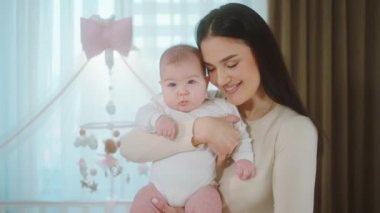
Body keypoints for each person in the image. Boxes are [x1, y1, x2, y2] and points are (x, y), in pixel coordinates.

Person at [121, 3, 318, 213]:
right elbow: (129, 147)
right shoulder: (210, 103)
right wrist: (200, 130)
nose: (221, 80)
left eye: (231, 64)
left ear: (261, 54)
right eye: (211, 69)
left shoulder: (294, 130)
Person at [130, 44, 255, 213]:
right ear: (162, 86)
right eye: (172, 85)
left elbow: (240, 133)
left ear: (205, 82)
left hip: (200, 189)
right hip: (158, 189)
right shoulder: (161, 106)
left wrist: (244, 158)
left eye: (191, 82)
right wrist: (157, 120)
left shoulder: (220, 108)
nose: (182, 91)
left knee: (209, 203)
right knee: (141, 202)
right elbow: (141, 115)